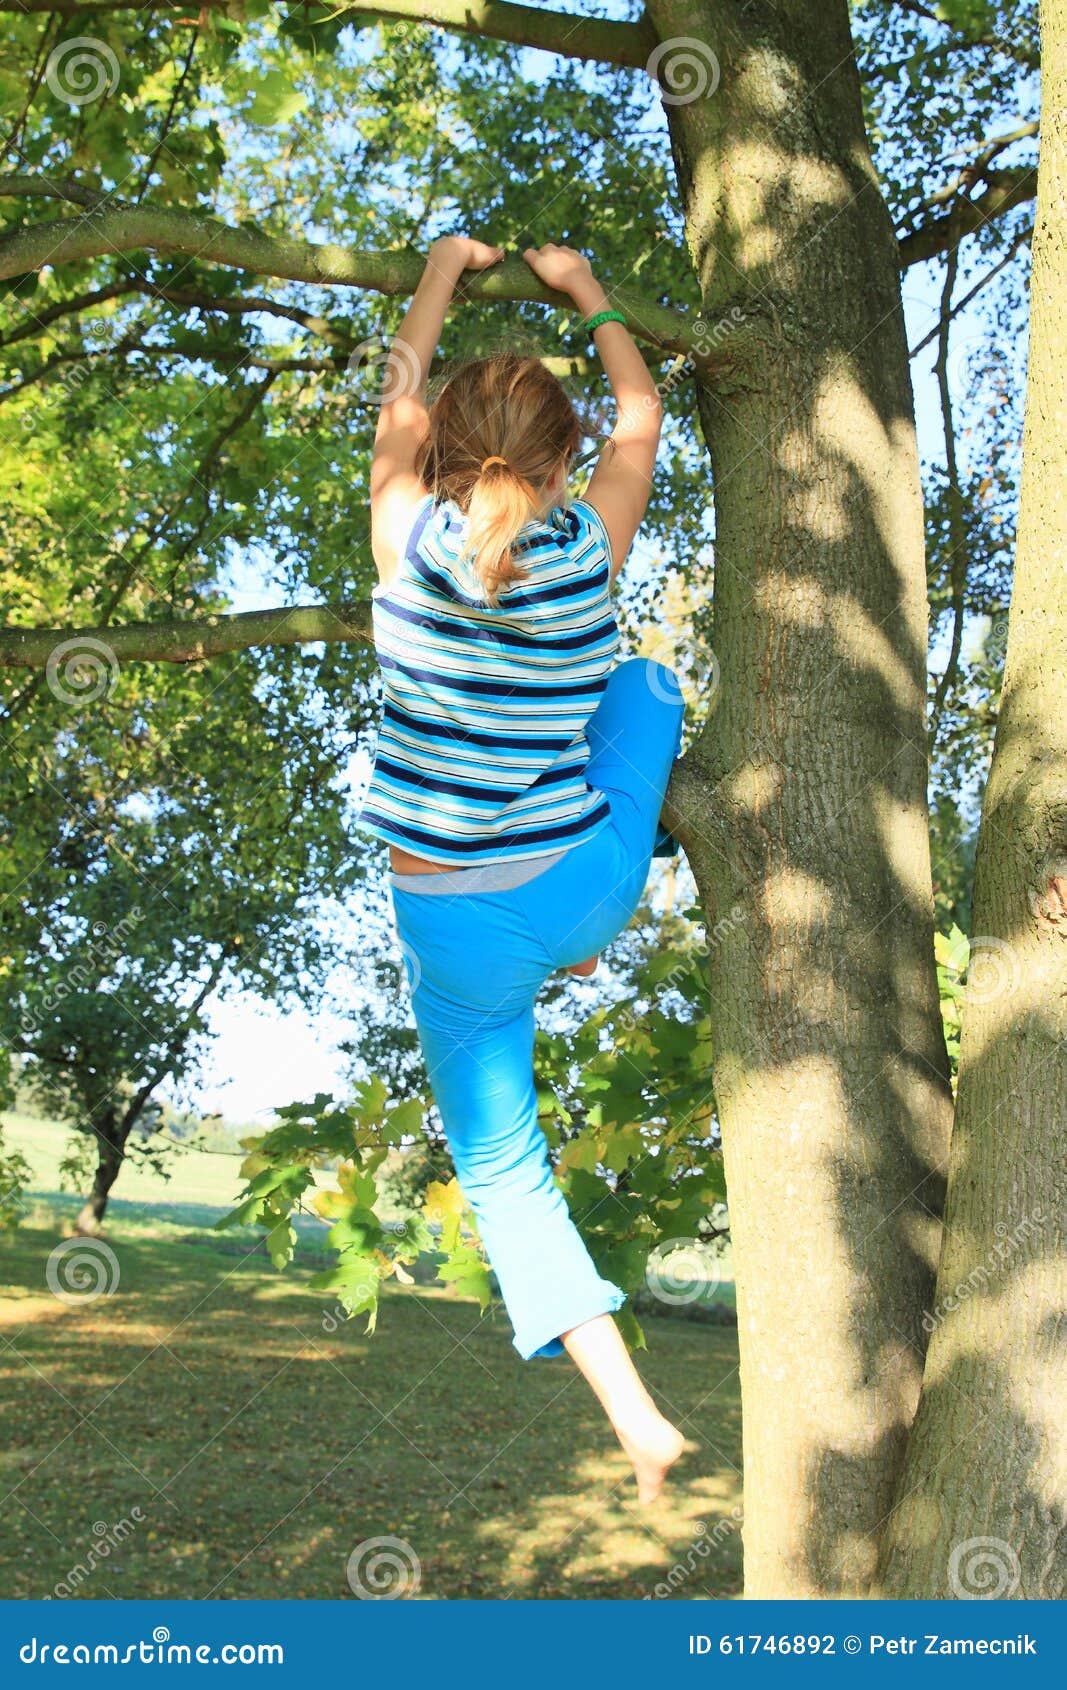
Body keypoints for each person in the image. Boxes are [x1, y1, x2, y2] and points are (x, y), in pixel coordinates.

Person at [360, 234, 688, 1504]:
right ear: (559, 468)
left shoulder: (405, 553)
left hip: (458, 925)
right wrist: (588, 294)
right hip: (580, 880)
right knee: (645, 685)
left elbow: (398, 402)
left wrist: (440, 274)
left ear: (445, 459)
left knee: (505, 1170)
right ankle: (601, 916)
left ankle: (632, 1414)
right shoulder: (587, 559)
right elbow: (643, 413)